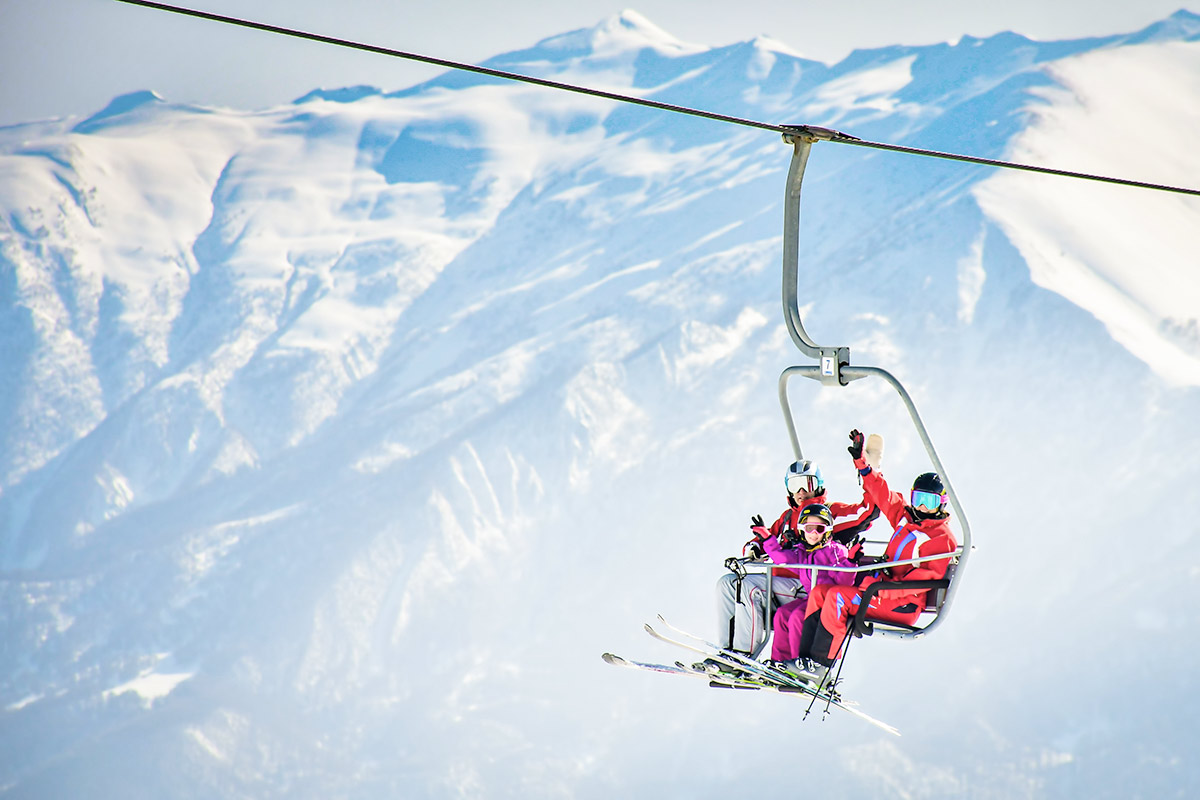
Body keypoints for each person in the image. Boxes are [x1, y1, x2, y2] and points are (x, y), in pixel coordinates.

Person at [787, 430, 959, 684]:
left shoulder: (940, 538)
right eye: (918, 499)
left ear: (941, 503)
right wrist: (862, 464)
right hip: (880, 590)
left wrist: (879, 588)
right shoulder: (906, 517)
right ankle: (804, 661)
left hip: (902, 603)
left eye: (929, 501)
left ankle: (821, 666)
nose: (922, 507)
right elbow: (882, 494)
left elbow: (922, 580)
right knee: (819, 592)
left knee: (836, 598)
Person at [708, 459, 878, 659]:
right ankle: (726, 650)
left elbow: (869, 510)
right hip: (781, 582)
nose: (800, 492)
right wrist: (754, 547)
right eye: (794, 485)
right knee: (727, 583)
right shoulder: (788, 518)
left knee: (748, 588)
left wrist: (867, 468)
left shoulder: (830, 512)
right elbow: (765, 540)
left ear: (818, 485)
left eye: (807, 484)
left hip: (807, 586)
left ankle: (743, 654)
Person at [760, 503, 857, 673]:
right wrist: (768, 539)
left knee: (798, 616)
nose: (813, 533)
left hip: (828, 602)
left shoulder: (835, 551)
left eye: (819, 529)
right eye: (808, 528)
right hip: (811, 599)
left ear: (827, 531)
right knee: (783, 615)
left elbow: (844, 582)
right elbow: (782, 558)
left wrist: (850, 562)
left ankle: (801, 664)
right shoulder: (802, 552)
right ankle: (780, 661)